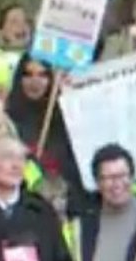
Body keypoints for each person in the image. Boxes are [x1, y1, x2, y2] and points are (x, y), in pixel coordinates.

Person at [6, 57, 81, 192]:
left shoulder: (67, 120)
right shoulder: (5, 123)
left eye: (42, 75)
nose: (35, 82)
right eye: (28, 74)